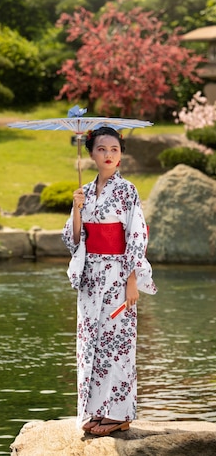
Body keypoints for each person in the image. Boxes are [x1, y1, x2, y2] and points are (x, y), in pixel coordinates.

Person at [62, 126, 157, 436]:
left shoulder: (127, 191)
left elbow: (136, 235)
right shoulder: (84, 192)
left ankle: (120, 413)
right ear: (91, 154)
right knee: (91, 344)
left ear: (120, 155)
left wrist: (132, 279)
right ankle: (96, 410)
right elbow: (75, 240)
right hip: (91, 277)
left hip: (118, 273)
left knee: (117, 343)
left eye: (114, 149)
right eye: (101, 149)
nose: (108, 155)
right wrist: (77, 210)